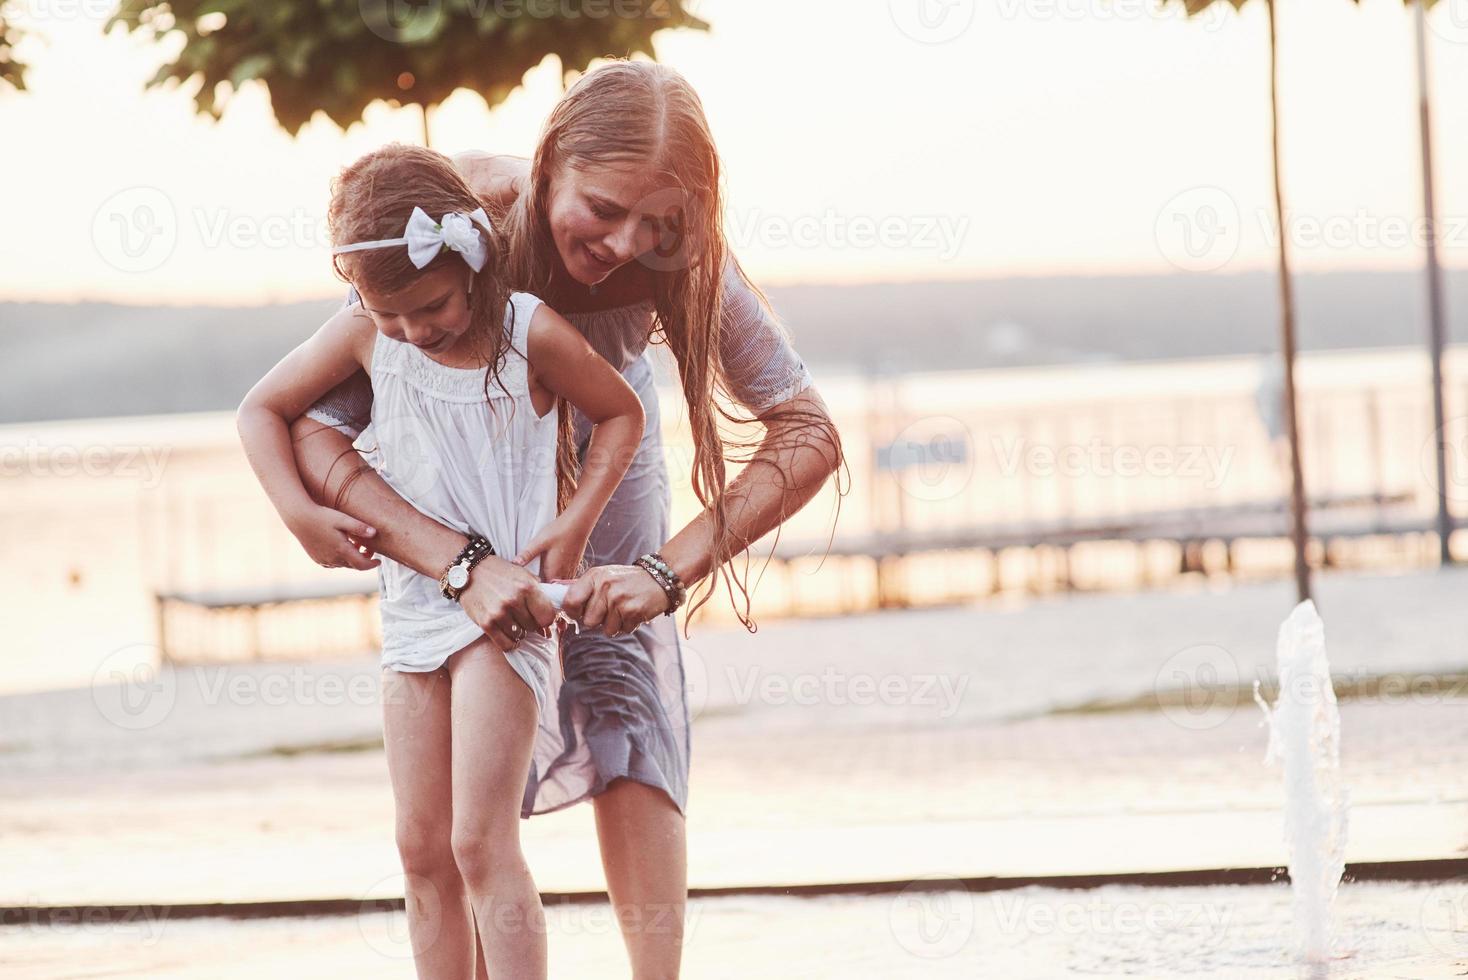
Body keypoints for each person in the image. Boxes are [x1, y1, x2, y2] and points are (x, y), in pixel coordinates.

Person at [289, 60, 846, 978]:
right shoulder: (456, 223)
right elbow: (317, 427)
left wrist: (669, 569)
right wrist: (455, 563)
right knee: (456, 819)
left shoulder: (682, 260)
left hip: (612, 485)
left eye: (660, 224)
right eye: (604, 208)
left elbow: (808, 430)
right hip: (465, 508)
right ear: (548, 162)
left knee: (627, 707)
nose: (628, 242)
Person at [236, 143, 646, 978]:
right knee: (419, 846)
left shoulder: (528, 330)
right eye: (392, 317)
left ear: (470, 261)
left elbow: (622, 413)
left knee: (477, 839)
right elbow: (260, 411)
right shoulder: (364, 332)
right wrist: (299, 513)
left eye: (429, 307)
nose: (414, 331)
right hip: (413, 606)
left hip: (504, 619)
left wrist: (573, 523)